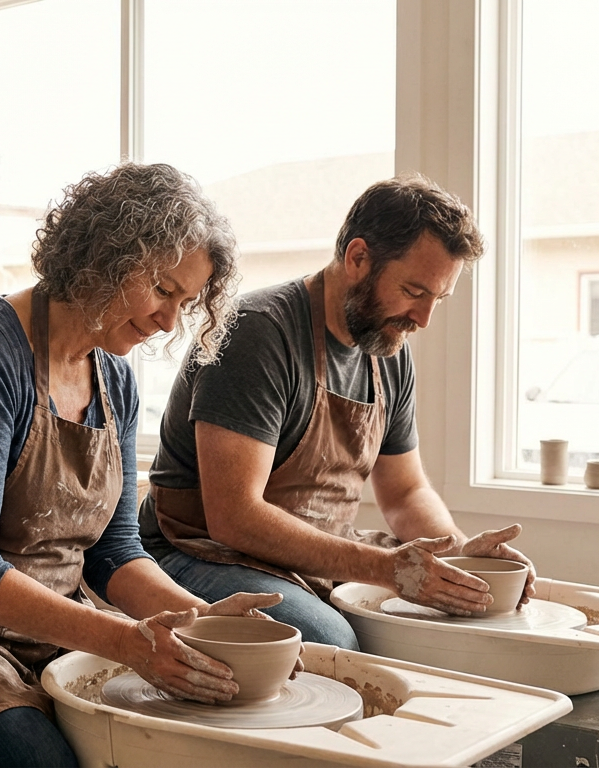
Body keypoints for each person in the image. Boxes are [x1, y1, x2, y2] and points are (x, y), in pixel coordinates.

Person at [0, 164, 299, 768]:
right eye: (163, 290)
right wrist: (126, 641)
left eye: (185, 304)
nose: (169, 321)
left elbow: (115, 553)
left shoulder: (116, 380)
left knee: (166, 742)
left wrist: (201, 621)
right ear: (105, 256)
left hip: (46, 634)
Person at [140, 174, 537, 650]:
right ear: (358, 258)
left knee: (454, 617)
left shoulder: (388, 349)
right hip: (199, 550)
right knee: (332, 639)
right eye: (414, 292)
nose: (424, 319)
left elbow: (406, 493)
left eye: (438, 298)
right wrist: (384, 568)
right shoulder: (258, 333)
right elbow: (234, 516)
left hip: (311, 555)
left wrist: (460, 559)